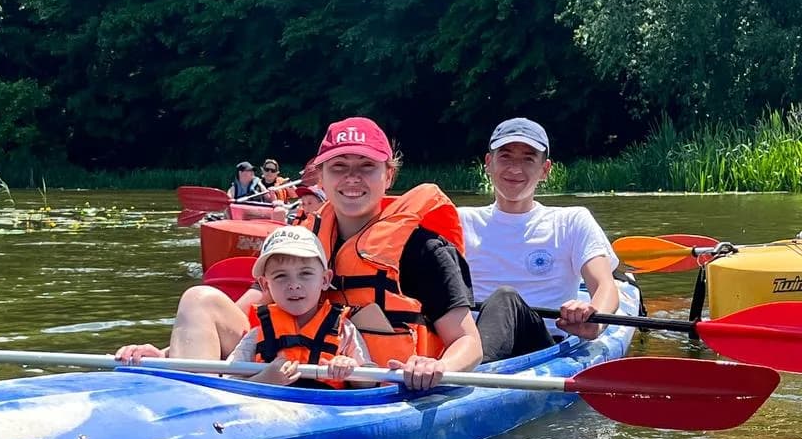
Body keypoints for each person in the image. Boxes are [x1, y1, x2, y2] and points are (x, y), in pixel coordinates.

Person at [117, 116, 482, 390]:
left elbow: (468, 342)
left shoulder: (425, 249)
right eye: (339, 167)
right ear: (320, 178)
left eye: (366, 167)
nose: (352, 178)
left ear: (388, 176)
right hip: (286, 374)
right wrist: (170, 352)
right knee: (199, 299)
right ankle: (195, 401)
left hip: (374, 384)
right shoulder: (298, 239)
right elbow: (250, 314)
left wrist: (436, 368)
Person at [459, 118, 620, 361]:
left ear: (545, 170)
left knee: (505, 299)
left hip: (542, 347)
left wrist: (594, 318)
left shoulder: (572, 221)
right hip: (470, 342)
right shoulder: (460, 221)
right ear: (489, 164)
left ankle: (463, 372)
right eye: (505, 157)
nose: (515, 169)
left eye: (528, 159)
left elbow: (606, 287)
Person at [226, 225, 371, 387]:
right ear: (265, 284)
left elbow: (369, 382)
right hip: (273, 407)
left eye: (305, 273)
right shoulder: (257, 334)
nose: (294, 285)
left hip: (326, 408)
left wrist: (349, 367)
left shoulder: (345, 330)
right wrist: (263, 380)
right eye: (281, 276)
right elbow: (229, 382)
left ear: (325, 280)